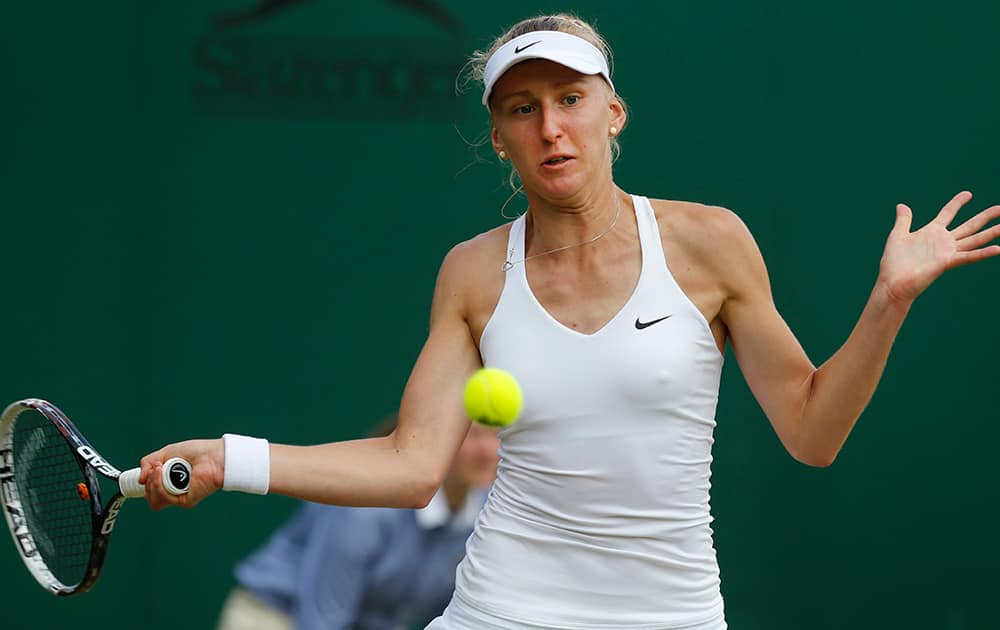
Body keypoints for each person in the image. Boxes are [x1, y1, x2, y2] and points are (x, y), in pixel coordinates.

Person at [140, 13, 1000, 630]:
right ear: (500, 139)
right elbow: (410, 466)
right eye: (523, 109)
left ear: (612, 112)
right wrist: (233, 457)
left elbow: (813, 431)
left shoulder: (710, 243)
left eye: (570, 98)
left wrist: (888, 303)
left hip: (673, 615)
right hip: (500, 611)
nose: (552, 128)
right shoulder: (472, 273)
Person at [215, 418, 500, 630]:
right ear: (439, 443)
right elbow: (321, 619)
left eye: (497, 434)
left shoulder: (485, 514)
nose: (487, 450)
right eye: (472, 435)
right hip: (275, 618)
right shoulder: (368, 509)